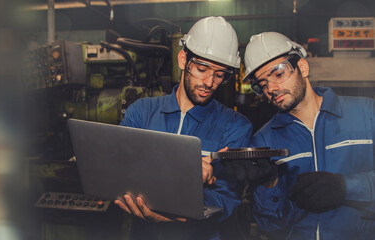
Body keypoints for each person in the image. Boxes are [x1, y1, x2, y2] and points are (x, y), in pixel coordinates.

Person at [114, 16, 253, 239]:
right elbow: (117, 172)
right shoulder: (140, 113)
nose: (209, 82)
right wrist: (183, 174)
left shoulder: (236, 126)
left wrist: (180, 212)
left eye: (219, 75)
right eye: (202, 68)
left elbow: (227, 199)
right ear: (182, 59)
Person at [240, 32, 374, 239]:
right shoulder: (265, 141)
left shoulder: (366, 114)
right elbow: (272, 229)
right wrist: (268, 185)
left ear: (303, 67)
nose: (272, 89)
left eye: (278, 74)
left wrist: (346, 187)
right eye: (263, 84)